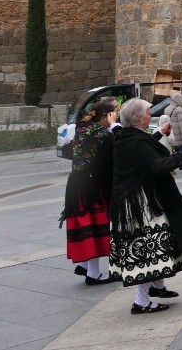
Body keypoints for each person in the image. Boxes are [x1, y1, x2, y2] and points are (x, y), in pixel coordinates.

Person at [108, 98, 182, 314]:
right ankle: (141, 302)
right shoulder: (134, 141)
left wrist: (160, 133)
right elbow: (157, 165)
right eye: (148, 112)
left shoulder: (127, 136)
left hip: (138, 199)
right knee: (148, 250)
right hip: (141, 203)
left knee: (160, 243)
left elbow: (144, 148)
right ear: (139, 118)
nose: (150, 115)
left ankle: (158, 287)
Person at [63, 99, 118, 285]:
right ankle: (93, 274)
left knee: (86, 225)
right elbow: (115, 150)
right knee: (95, 227)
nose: (117, 115)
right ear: (106, 116)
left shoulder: (83, 128)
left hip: (76, 184)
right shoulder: (103, 134)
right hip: (92, 187)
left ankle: (85, 266)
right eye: (115, 112)